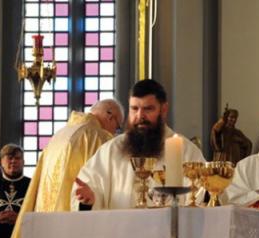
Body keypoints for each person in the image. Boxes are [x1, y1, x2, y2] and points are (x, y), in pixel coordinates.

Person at [0, 99, 124, 238]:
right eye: (117, 126)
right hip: (74, 233)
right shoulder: (97, 138)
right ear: (110, 116)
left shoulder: (59, 136)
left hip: (44, 229)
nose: (115, 131)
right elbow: (111, 188)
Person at [72, 79, 206, 210]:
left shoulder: (186, 151)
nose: (140, 115)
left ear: (163, 109)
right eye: (134, 108)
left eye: (148, 109)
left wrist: (207, 193)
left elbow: (203, 193)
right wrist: (89, 200)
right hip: (121, 230)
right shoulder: (112, 150)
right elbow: (90, 187)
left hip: (167, 231)